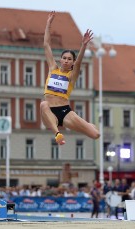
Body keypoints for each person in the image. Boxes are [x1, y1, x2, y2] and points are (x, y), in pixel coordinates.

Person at [40, 11, 100, 145]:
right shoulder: (53, 68)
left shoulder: (71, 76)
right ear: (60, 59)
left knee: (96, 134)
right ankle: (57, 134)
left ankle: (89, 125)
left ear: (72, 62)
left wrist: (84, 45)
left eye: (69, 59)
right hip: (49, 113)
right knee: (43, 103)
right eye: (64, 58)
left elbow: (79, 63)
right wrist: (48, 25)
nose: (66, 61)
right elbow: (46, 45)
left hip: (65, 112)